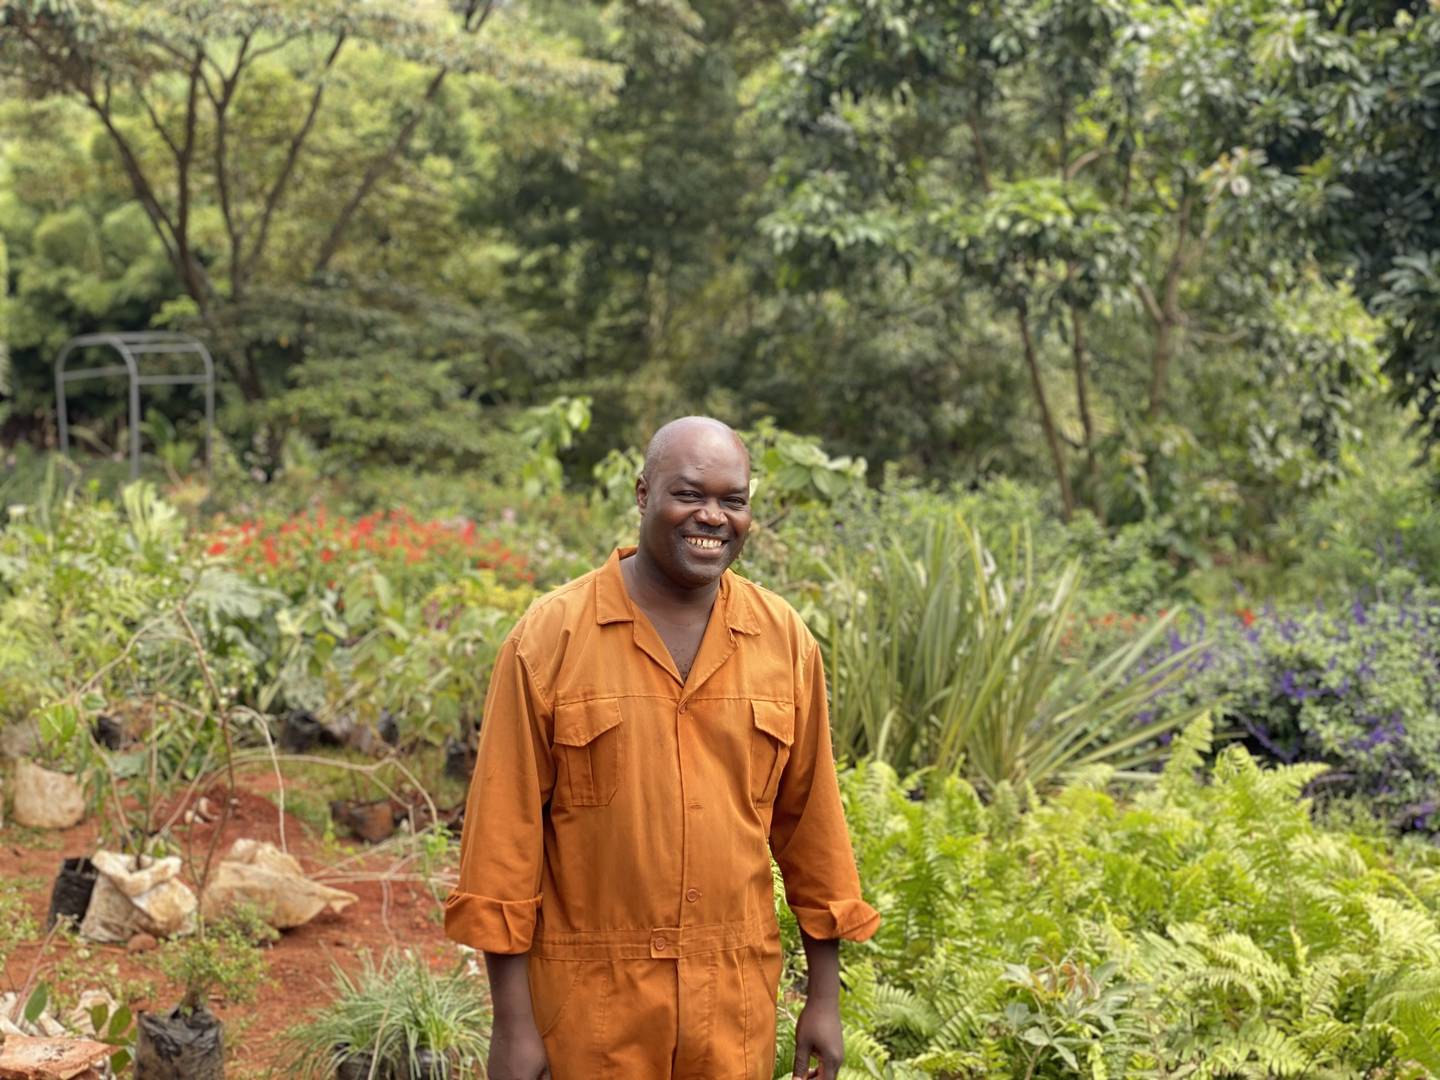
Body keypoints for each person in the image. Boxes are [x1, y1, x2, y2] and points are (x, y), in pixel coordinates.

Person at [445, 416, 879, 1080]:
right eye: (689, 494)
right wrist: (513, 1024)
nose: (712, 517)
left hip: (731, 1012)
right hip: (591, 1012)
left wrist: (823, 998)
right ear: (643, 493)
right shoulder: (551, 638)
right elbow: (503, 845)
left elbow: (811, 826)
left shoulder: (783, 641)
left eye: (733, 501)